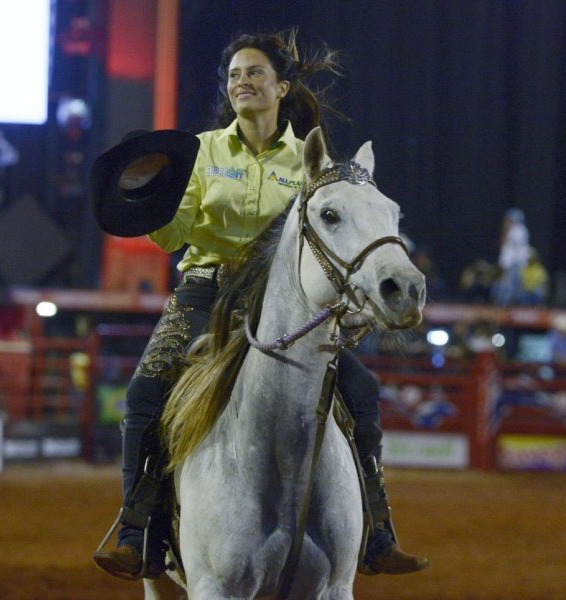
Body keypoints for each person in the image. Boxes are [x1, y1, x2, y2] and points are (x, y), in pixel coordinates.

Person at [93, 29, 428, 580]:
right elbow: (177, 233)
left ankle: (377, 531)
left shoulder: (310, 161)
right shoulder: (201, 151)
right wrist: (151, 201)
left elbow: (335, 242)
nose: (242, 83)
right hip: (206, 290)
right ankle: (138, 533)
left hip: (284, 301)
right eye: (233, 76)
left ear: (281, 86)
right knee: (146, 389)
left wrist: (355, 306)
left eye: (254, 73)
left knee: (362, 392)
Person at [491, 207, 530, 306]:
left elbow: (511, 245)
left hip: (514, 264)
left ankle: (507, 307)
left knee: (510, 288)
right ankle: (505, 305)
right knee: (506, 286)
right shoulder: (513, 230)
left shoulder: (519, 230)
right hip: (509, 264)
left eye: (509, 219)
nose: (506, 221)